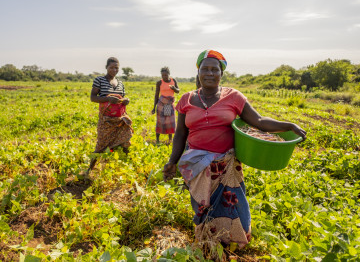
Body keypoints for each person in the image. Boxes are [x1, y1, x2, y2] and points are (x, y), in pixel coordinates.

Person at [163, 50, 306, 248]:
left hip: (227, 165)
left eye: (215, 69)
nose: (210, 73)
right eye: (205, 69)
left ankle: (230, 243)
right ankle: (206, 243)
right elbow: (180, 134)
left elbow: (259, 121)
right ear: (198, 73)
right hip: (197, 165)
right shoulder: (186, 99)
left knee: (234, 208)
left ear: (222, 74)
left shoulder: (234, 97)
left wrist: (288, 125)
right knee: (202, 208)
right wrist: (172, 161)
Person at [88, 57, 133, 172]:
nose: (114, 70)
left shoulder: (120, 83)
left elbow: (121, 98)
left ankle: (127, 169)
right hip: (106, 119)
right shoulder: (99, 80)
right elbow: (93, 98)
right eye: (111, 67)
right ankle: (89, 170)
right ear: (106, 67)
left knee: (125, 141)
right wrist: (108, 99)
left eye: (116, 68)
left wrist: (125, 100)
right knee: (101, 145)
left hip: (119, 119)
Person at [151, 67, 180, 144]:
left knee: (169, 122)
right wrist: (154, 107)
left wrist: (174, 88)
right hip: (161, 104)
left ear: (169, 74)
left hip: (168, 105)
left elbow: (178, 91)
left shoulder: (173, 81)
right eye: (162, 75)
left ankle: (170, 139)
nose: (164, 77)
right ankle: (157, 140)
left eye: (166, 75)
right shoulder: (159, 83)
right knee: (160, 122)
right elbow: (156, 95)